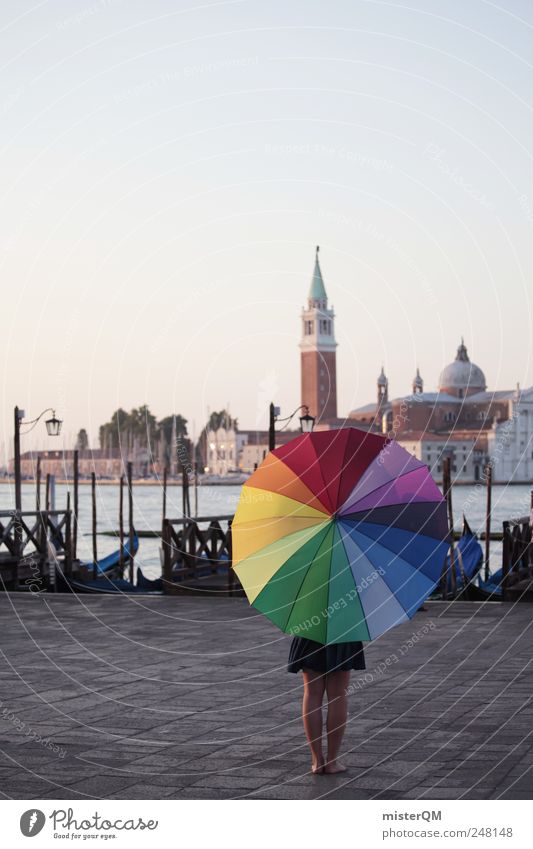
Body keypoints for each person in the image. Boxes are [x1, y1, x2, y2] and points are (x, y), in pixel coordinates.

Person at [288, 636, 365, 774]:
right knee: (338, 696)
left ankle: (317, 760)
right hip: (342, 632)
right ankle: (332, 762)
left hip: (311, 631)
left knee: (312, 694)